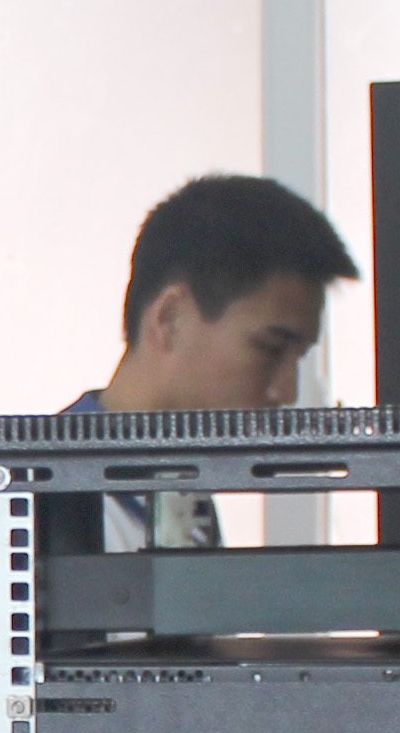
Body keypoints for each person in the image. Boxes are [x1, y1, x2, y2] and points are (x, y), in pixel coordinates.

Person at [47, 173, 362, 553]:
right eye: (269, 348)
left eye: (300, 357)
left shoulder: (181, 496)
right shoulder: (44, 512)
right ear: (171, 319)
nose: (287, 392)